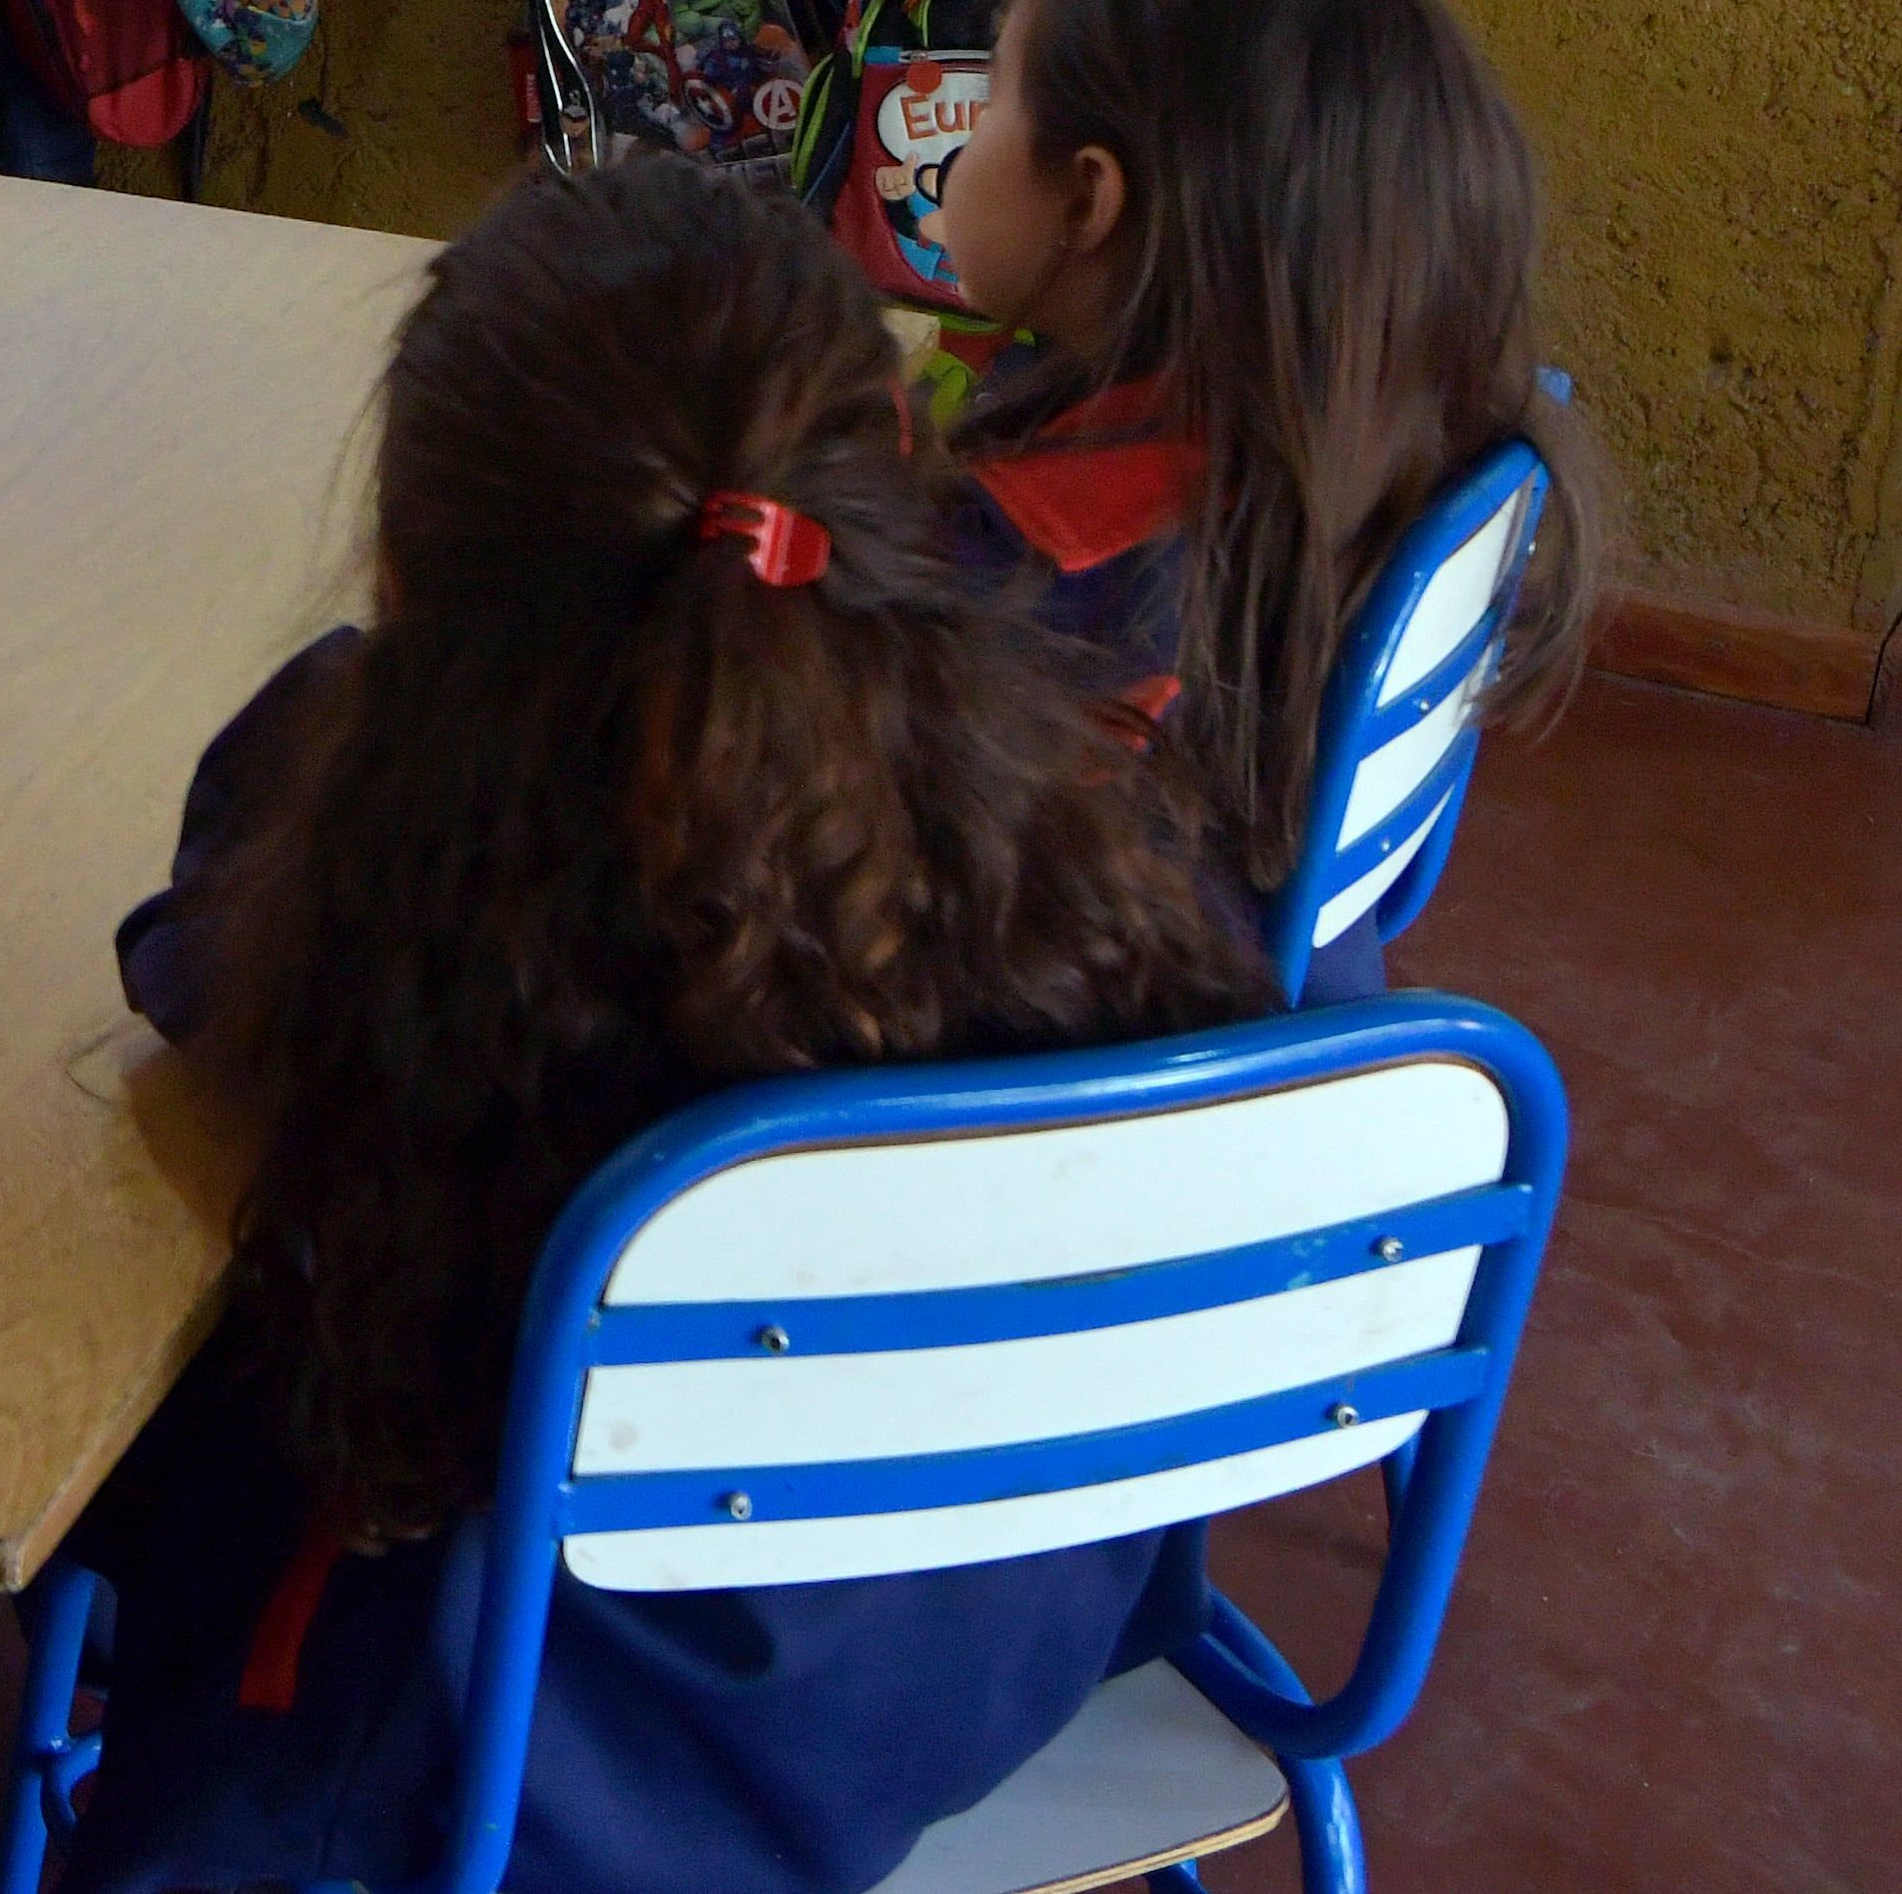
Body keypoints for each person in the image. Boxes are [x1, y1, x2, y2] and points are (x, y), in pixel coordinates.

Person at [71, 159, 1265, 1894]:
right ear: (891, 493)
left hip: (534, 1779)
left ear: (405, 567)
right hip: (984, 1675)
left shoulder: (377, 884)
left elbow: (193, 984)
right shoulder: (1093, 846)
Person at [937, 0, 1603, 994]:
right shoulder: (1372, 454)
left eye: (984, 106)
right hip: (1291, 985)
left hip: (1084, 1100)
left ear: (1085, 197)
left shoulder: (1029, 571)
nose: (960, 149)